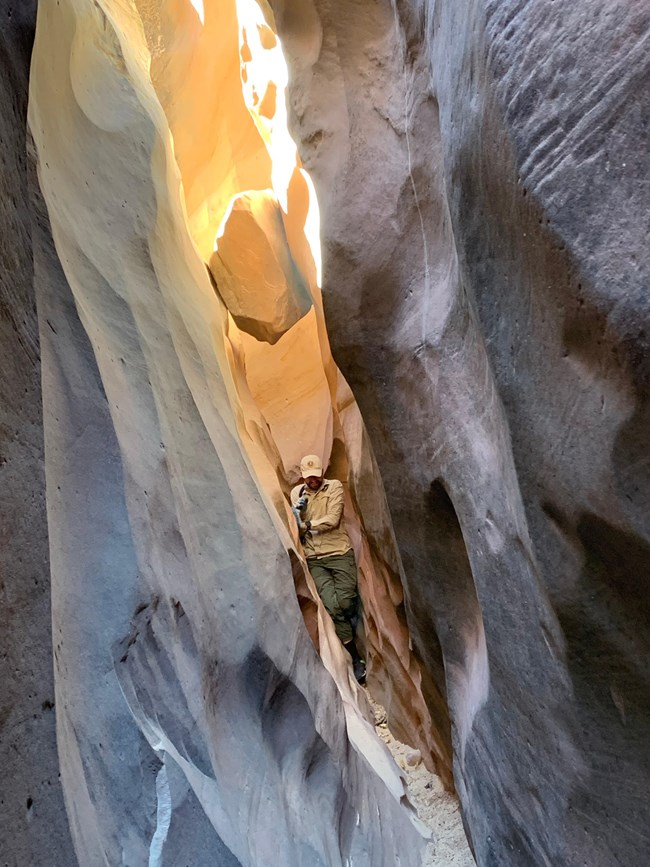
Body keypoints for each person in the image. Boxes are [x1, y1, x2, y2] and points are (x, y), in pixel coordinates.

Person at [291, 455, 366, 684]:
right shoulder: (297, 494)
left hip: (339, 552)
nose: (312, 480)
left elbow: (333, 519)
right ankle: (356, 657)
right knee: (332, 606)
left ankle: (350, 616)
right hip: (315, 558)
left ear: (322, 472)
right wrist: (298, 517)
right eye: (308, 477)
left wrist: (307, 524)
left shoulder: (333, 487)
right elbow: (298, 532)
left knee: (344, 601)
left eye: (315, 476)